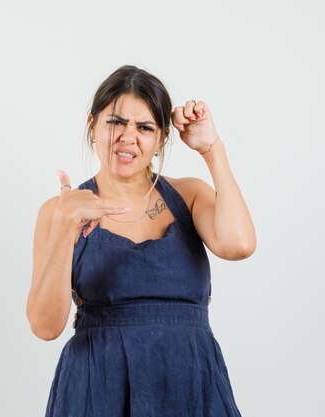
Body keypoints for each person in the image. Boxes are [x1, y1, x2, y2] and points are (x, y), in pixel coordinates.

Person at [26, 65, 256, 416]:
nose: (127, 137)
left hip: (190, 386)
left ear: (162, 138)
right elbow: (45, 326)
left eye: (145, 127)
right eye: (115, 122)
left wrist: (211, 149)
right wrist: (63, 228)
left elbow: (239, 244)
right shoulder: (58, 211)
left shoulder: (189, 195)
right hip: (97, 389)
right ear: (93, 126)